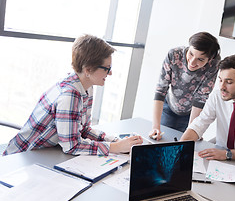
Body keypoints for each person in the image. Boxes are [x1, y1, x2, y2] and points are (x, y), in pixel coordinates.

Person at [3, 34, 143, 156]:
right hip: (21, 158)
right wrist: (115, 148)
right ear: (88, 69)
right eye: (107, 69)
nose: (110, 73)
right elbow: (72, 146)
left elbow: (83, 129)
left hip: (43, 154)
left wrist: (115, 141)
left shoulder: (86, 86)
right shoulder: (70, 94)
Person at [149, 32, 221, 140]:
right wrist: (155, 127)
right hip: (169, 107)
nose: (192, 62)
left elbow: (201, 98)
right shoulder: (174, 54)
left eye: (200, 59)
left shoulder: (214, 64)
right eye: (191, 54)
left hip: (192, 113)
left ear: (210, 59)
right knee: (160, 142)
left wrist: (193, 129)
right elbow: (160, 90)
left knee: (183, 146)